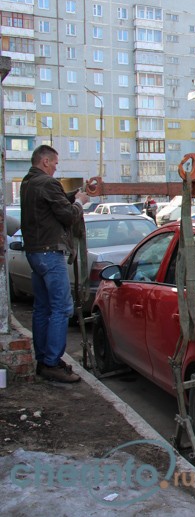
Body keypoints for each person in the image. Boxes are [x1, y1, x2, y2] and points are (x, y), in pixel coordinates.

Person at [20, 145, 89, 384]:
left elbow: (53, 205)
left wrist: (74, 195)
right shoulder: (48, 183)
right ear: (46, 161)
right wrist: (80, 202)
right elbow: (68, 216)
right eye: (56, 163)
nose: (57, 167)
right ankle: (51, 362)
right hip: (50, 253)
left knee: (43, 308)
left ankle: (44, 358)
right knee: (61, 308)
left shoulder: (28, 183)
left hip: (35, 252)